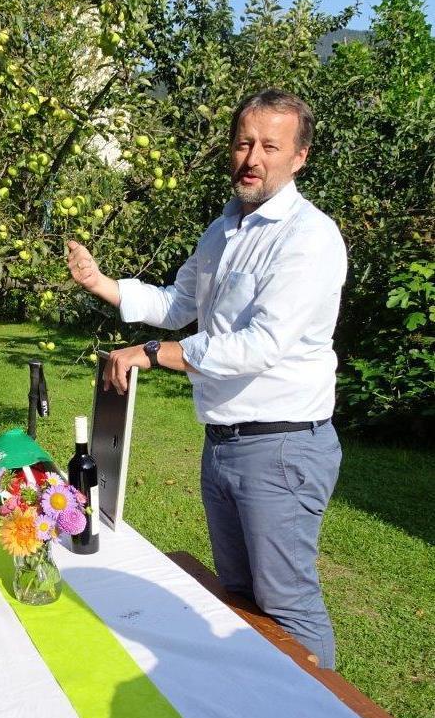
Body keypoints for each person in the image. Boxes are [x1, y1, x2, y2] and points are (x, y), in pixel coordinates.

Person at [67, 89, 347, 669]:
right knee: (239, 598)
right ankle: (259, 698)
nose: (252, 158)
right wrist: (102, 284)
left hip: (282, 445)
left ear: (300, 157)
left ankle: (319, 706)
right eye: (244, 143)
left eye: (270, 146)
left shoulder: (308, 238)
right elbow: (178, 304)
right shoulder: (222, 230)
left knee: (288, 605)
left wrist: (152, 353)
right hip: (223, 442)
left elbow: (260, 345)